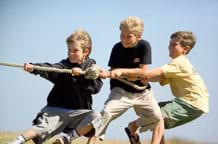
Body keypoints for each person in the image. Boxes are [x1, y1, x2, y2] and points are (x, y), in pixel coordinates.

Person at [9, 29, 104, 144]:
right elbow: (50, 68)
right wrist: (34, 67)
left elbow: (95, 88)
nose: (70, 53)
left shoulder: (92, 68)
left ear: (86, 52)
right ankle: (15, 142)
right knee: (42, 128)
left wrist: (81, 76)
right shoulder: (64, 65)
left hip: (78, 112)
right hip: (55, 110)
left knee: (96, 117)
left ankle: (66, 139)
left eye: (75, 51)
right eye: (69, 50)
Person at [126, 31, 209, 144]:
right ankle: (132, 127)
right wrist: (146, 78)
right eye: (169, 43)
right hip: (195, 103)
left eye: (174, 44)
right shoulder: (178, 65)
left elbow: (158, 72)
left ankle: (133, 126)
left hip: (191, 102)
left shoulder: (179, 63)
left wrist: (131, 73)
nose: (169, 46)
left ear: (186, 49)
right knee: (155, 113)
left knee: (158, 116)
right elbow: (159, 77)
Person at [96, 16, 164, 144]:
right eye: (122, 35)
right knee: (105, 113)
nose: (124, 39)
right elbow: (114, 72)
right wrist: (130, 74)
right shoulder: (117, 48)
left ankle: (132, 126)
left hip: (143, 92)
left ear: (139, 36)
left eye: (129, 36)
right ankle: (92, 140)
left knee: (157, 117)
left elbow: (143, 72)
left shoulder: (144, 46)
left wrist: (123, 71)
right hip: (121, 91)